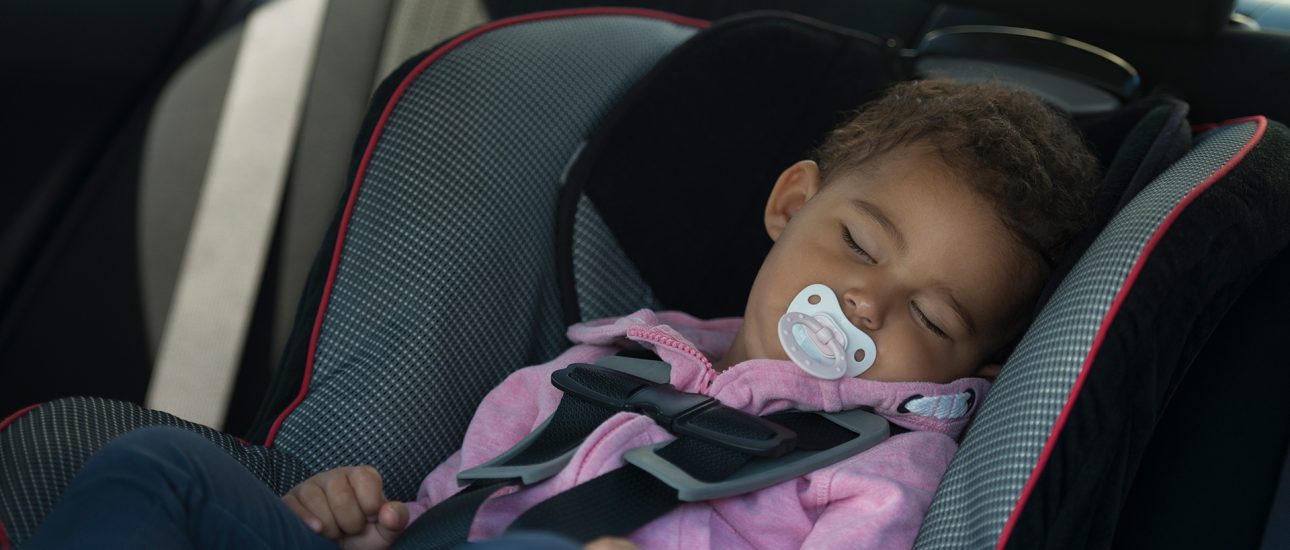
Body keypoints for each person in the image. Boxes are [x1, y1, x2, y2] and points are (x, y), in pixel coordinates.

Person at [25, 78, 1101, 550]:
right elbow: (463, 499)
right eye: (859, 244)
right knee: (152, 469)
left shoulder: (882, 469)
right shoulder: (604, 364)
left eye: (932, 316)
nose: (865, 299)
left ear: (971, 369)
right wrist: (366, 517)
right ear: (789, 205)